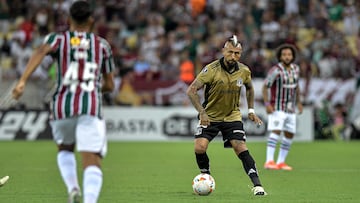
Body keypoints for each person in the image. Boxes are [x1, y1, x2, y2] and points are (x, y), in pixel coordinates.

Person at [12, 1, 115, 203]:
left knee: (65, 148)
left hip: (61, 106)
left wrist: (22, 81)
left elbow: (40, 51)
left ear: (68, 20)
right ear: (91, 21)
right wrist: (95, 88)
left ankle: (73, 188)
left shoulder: (57, 39)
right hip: (90, 106)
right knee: (91, 158)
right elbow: (110, 85)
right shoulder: (102, 45)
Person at [186, 35, 267, 196]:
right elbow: (191, 90)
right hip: (210, 116)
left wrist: (251, 111)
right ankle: (206, 176)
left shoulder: (244, 70)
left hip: (232, 116)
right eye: (230, 52)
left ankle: (258, 186)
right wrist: (202, 112)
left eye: (237, 53)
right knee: (199, 147)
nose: (233, 56)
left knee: (240, 147)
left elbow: (250, 88)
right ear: (223, 51)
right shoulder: (211, 69)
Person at [262, 43, 303, 171]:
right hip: (277, 107)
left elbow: (296, 87)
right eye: (284, 54)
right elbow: (265, 86)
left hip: (290, 108)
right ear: (280, 56)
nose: (287, 57)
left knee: (290, 134)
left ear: (293, 56)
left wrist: (299, 102)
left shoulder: (296, 69)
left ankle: (281, 162)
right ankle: (269, 161)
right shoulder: (276, 70)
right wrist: (267, 104)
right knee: (276, 131)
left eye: (289, 54)